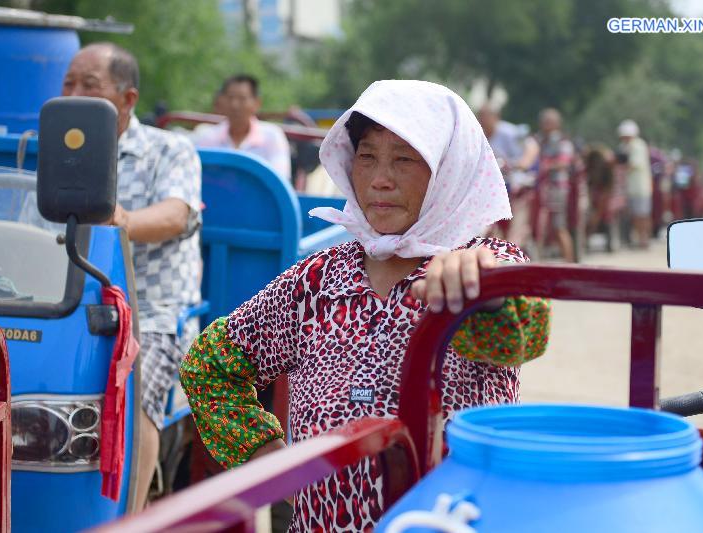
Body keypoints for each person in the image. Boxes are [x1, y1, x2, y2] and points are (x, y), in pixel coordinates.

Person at [181, 80, 551, 531]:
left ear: (448, 169)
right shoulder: (315, 280)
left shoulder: (486, 265)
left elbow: (523, 333)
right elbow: (209, 366)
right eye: (367, 156)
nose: (379, 178)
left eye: (404, 158)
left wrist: (480, 288)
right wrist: (270, 462)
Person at [61, 42, 203, 511]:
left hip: (151, 313)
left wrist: (120, 219)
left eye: (90, 85)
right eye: (69, 83)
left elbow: (177, 215)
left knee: (135, 386)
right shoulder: (52, 145)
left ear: (127, 99)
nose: (75, 94)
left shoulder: (169, 149)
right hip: (67, 302)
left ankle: (130, 516)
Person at [191, 74, 292, 181]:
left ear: (257, 103)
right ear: (221, 101)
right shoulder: (207, 137)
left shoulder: (272, 137)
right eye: (230, 98)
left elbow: (279, 180)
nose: (235, 105)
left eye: (242, 98)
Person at [477, 105, 539, 251]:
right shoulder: (477, 133)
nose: (483, 121)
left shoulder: (509, 132)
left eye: (486, 117)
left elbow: (532, 146)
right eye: (480, 117)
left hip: (514, 182)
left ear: (496, 117)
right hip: (491, 185)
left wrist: (524, 163)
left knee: (516, 223)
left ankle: (516, 245)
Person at [535, 108, 575, 262]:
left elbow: (564, 163)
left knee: (559, 226)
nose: (544, 125)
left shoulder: (562, 142)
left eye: (548, 122)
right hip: (543, 188)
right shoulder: (541, 141)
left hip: (557, 189)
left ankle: (569, 263)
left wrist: (545, 166)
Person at [617, 119, 652, 248]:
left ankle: (644, 239)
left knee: (642, 215)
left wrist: (620, 168)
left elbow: (634, 164)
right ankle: (639, 239)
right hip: (629, 188)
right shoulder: (623, 147)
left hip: (641, 187)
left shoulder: (638, 145)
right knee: (635, 216)